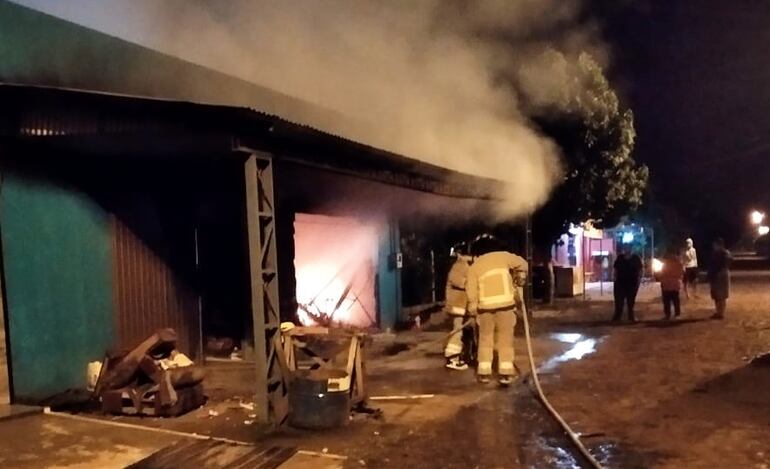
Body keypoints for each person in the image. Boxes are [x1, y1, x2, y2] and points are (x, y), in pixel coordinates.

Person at [466, 234, 528, 386]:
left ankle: (484, 373)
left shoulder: (475, 266)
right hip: (506, 307)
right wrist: (520, 276)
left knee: (485, 340)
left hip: (485, 309)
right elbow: (523, 264)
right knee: (505, 341)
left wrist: (472, 308)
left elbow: (471, 289)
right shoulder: (504, 257)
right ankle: (505, 373)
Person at [444, 242, 471, 370]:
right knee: (457, 331)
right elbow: (459, 282)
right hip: (457, 305)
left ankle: (458, 355)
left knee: (461, 331)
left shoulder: (463, 265)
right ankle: (452, 357)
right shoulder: (460, 265)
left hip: (460, 305)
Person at [612, 245, 643, 322]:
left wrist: (639, 280)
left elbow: (640, 270)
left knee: (631, 301)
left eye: (628, 248)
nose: (627, 250)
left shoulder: (636, 258)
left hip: (632, 283)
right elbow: (615, 269)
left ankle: (631, 316)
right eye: (626, 248)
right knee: (619, 301)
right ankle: (617, 317)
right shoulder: (620, 258)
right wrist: (615, 279)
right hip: (620, 283)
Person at [708, 238, 732, 319]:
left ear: (718, 244)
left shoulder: (718, 253)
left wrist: (711, 275)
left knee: (718, 295)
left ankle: (719, 313)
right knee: (723, 295)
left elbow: (714, 266)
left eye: (714, 245)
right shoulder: (727, 252)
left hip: (718, 275)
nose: (713, 246)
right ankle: (721, 312)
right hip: (725, 273)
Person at [659, 249, 685, 319]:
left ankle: (668, 314)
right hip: (673, 285)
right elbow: (681, 273)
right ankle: (676, 314)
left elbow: (662, 274)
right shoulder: (678, 263)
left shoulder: (667, 264)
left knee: (668, 301)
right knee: (675, 300)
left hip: (668, 285)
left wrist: (663, 280)